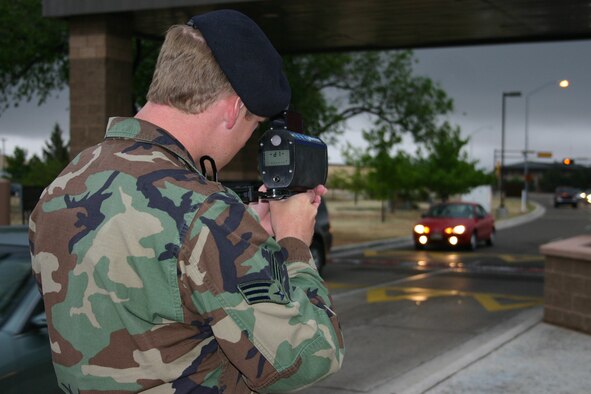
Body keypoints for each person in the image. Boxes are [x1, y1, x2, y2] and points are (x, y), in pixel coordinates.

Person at [29, 9, 344, 393]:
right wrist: (294, 244)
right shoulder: (206, 213)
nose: (248, 139)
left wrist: (244, 238)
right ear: (233, 110)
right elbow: (310, 358)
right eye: (254, 125)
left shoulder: (63, 187)